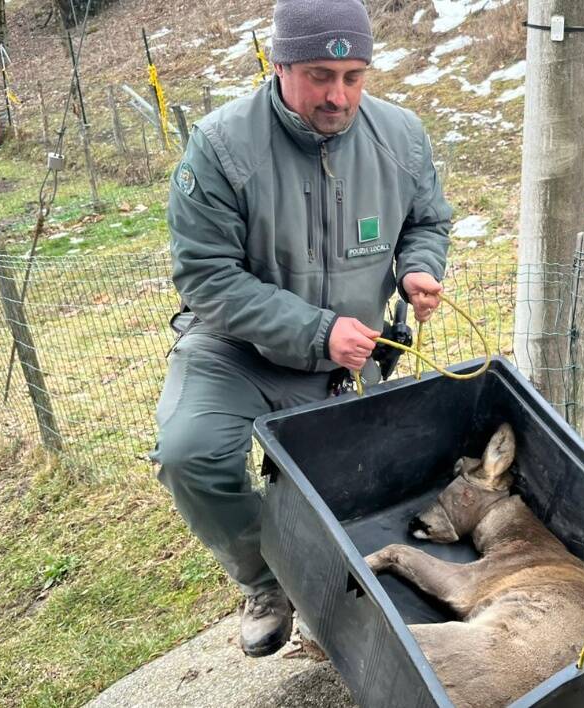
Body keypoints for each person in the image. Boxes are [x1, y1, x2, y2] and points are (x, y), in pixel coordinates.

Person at [152, 0, 451, 658]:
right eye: (319, 75)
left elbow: (427, 221)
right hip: (238, 352)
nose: (338, 96)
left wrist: (417, 272)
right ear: (280, 64)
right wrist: (317, 331)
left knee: (372, 487)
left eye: (354, 77)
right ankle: (267, 581)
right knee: (189, 453)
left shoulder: (400, 138)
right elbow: (207, 278)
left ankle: (349, 584)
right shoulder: (221, 148)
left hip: (351, 358)